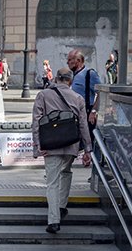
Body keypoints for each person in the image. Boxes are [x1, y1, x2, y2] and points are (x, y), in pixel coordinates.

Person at [31, 67, 92, 234]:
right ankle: (62, 206)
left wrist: (37, 146)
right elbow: (83, 125)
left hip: (51, 146)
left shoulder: (43, 95)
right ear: (70, 81)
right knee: (66, 173)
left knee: (52, 182)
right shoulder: (78, 98)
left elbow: (36, 122)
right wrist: (87, 149)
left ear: (56, 79)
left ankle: (54, 220)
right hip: (71, 145)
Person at [67, 50, 101, 132]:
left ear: (78, 61)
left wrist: (93, 111)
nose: (67, 62)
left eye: (70, 60)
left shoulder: (89, 74)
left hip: (86, 113)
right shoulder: (72, 75)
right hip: (74, 113)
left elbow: (101, 93)